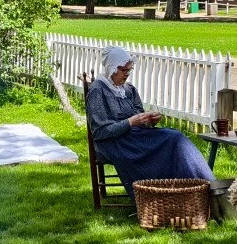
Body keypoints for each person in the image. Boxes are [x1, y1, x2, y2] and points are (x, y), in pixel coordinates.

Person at [85, 47, 215, 193]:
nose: (127, 74)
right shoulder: (98, 90)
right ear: (111, 68)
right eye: (123, 70)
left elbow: (139, 117)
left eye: (129, 70)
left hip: (134, 137)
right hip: (114, 143)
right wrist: (130, 122)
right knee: (173, 140)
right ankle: (191, 190)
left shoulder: (129, 90)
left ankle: (201, 188)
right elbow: (99, 132)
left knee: (175, 137)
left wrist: (149, 121)